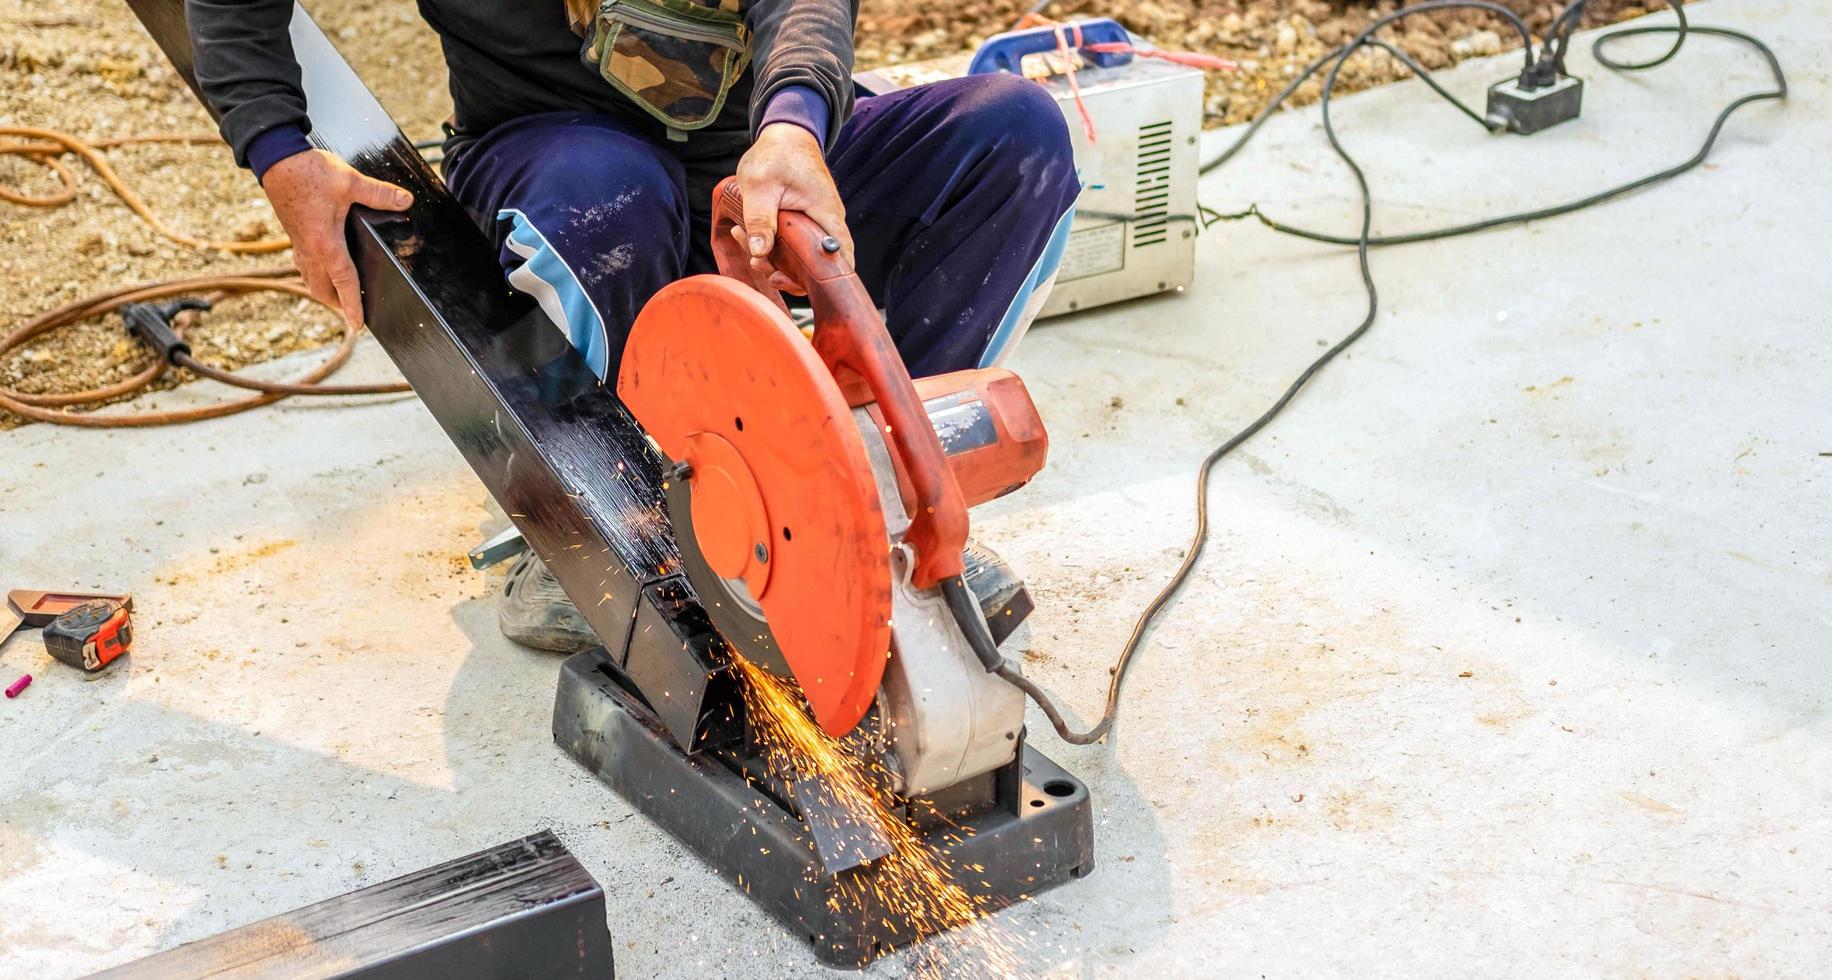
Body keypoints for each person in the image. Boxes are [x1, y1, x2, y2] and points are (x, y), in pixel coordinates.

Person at [187, 0, 1080, 651]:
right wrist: (279, 154)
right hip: (559, 154)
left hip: (745, 144)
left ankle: (879, 502)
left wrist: (796, 126)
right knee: (606, 197)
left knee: (1015, 139)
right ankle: (615, 533)